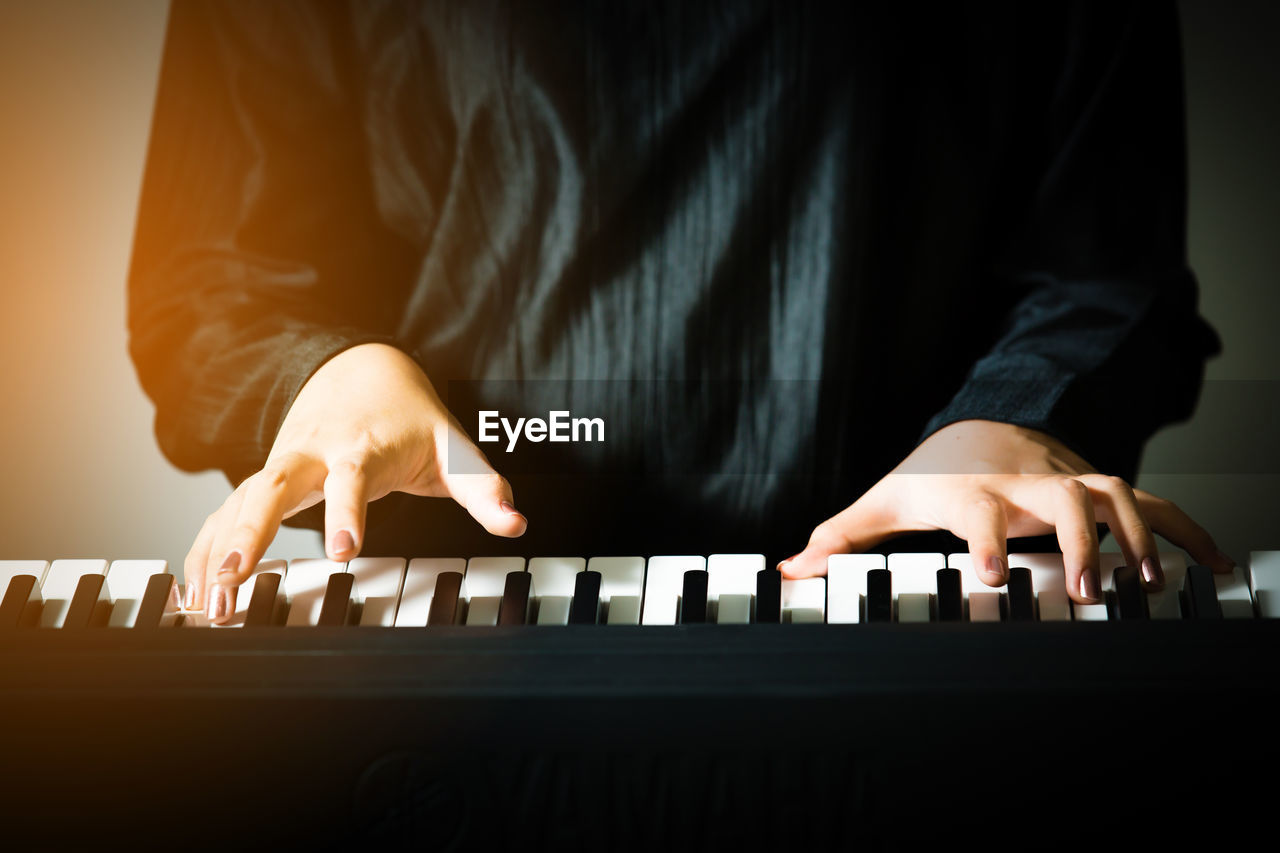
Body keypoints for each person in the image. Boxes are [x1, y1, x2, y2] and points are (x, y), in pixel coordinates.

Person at [128, 0, 1231, 624]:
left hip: (924, 602)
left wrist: (1006, 417)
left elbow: (1101, 269)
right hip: (432, 630)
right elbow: (214, 273)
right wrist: (330, 377)